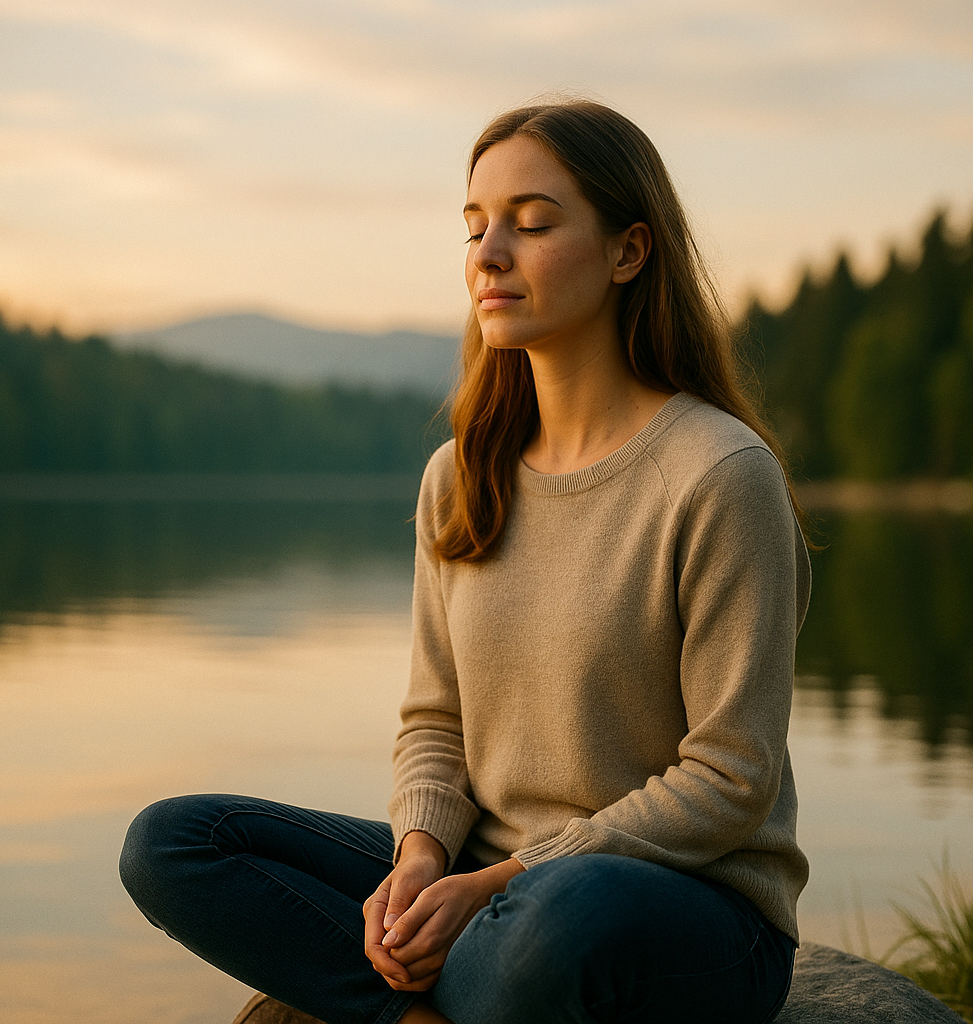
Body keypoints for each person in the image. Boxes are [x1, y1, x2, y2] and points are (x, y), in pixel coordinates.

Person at [120, 100, 811, 1024]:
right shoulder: (461, 477)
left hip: (677, 905)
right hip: (487, 877)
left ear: (628, 252)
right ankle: (418, 1010)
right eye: (476, 226)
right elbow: (435, 722)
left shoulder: (719, 474)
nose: (489, 255)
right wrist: (418, 862)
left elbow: (730, 780)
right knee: (174, 843)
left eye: (532, 224)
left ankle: (386, 989)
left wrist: (498, 883)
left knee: (556, 921)